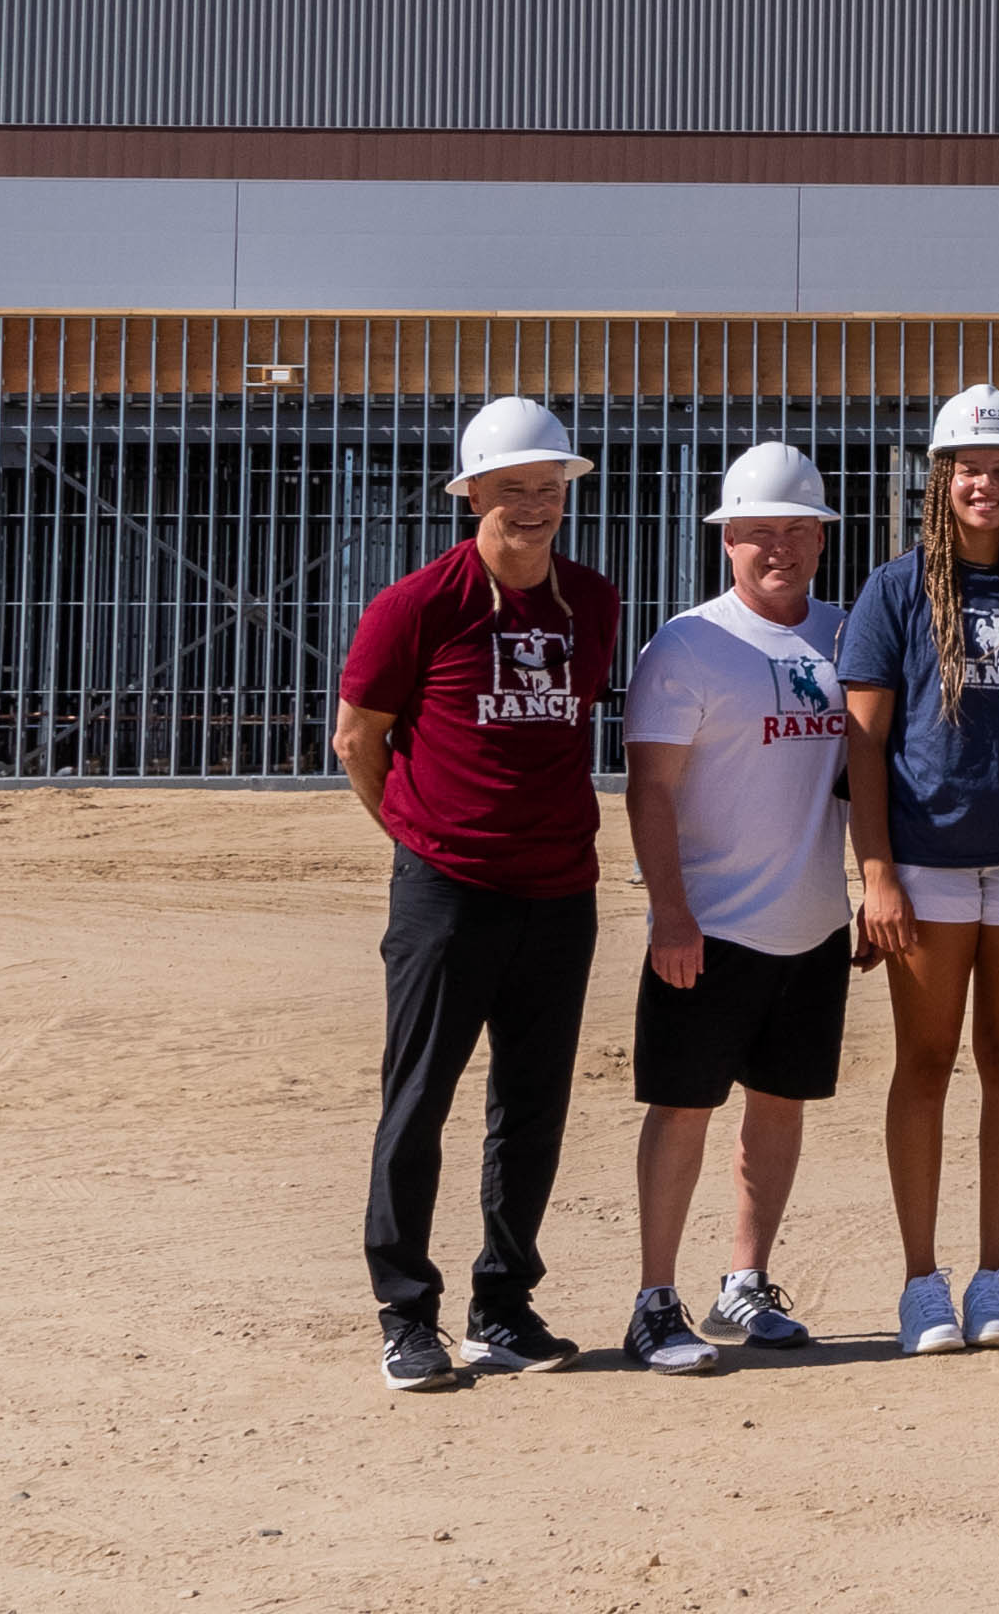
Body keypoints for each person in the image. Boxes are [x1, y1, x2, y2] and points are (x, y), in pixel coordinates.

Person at [338, 396, 622, 1391]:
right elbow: (357, 737)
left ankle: (502, 1306)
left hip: (561, 892)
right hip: (448, 892)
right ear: (472, 495)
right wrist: (421, 839)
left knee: (532, 1107)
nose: (534, 505)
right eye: (512, 489)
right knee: (418, 1099)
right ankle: (405, 1314)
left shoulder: (592, 601)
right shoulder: (417, 605)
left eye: (549, 487)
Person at [839, 383, 999, 1356]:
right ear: (941, 480)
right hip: (927, 864)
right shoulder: (894, 590)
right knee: (927, 1061)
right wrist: (876, 874)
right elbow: (863, 743)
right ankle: (920, 1283)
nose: (986, 484)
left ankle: (991, 1279)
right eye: (969, 469)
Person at [617, 442, 855, 1377]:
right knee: (683, 1107)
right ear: (727, 541)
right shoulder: (687, 645)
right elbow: (650, 790)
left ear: (822, 538)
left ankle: (745, 1282)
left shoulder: (848, 636)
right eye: (758, 532)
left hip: (814, 923)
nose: (778, 548)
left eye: (797, 531)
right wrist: (670, 914)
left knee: (781, 1104)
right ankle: (654, 1298)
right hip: (709, 927)